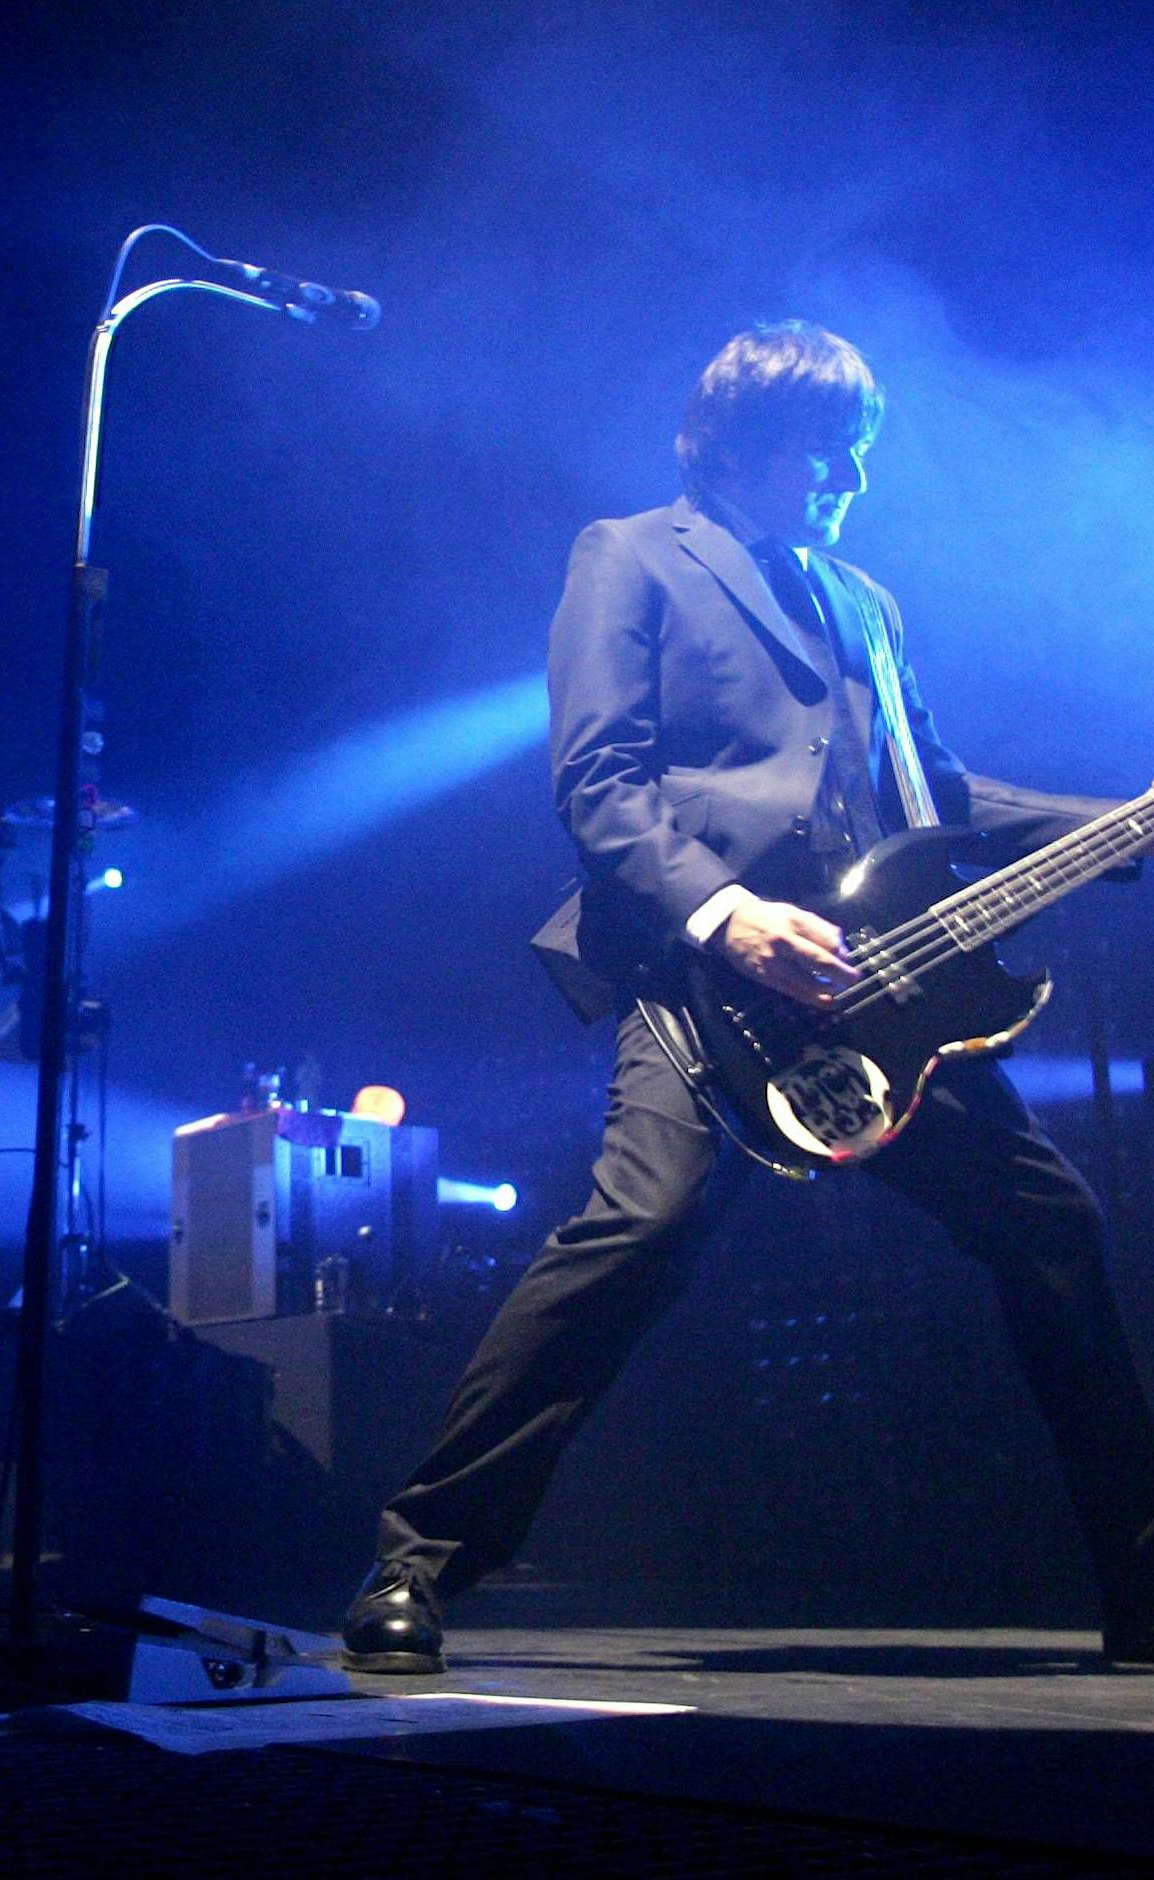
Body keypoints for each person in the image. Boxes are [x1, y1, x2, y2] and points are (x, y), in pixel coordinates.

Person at [342, 321, 1154, 1673]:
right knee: (640, 1229)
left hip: (883, 995)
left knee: (1052, 1228)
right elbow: (601, 783)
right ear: (736, 443)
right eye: (829, 450)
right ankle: (417, 1560)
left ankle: (1143, 1584)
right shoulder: (632, 556)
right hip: (704, 987)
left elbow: (938, 801)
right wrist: (729, 916)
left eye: (861, 452)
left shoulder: (865, 603)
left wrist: (1114, 822)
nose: (852, 477)